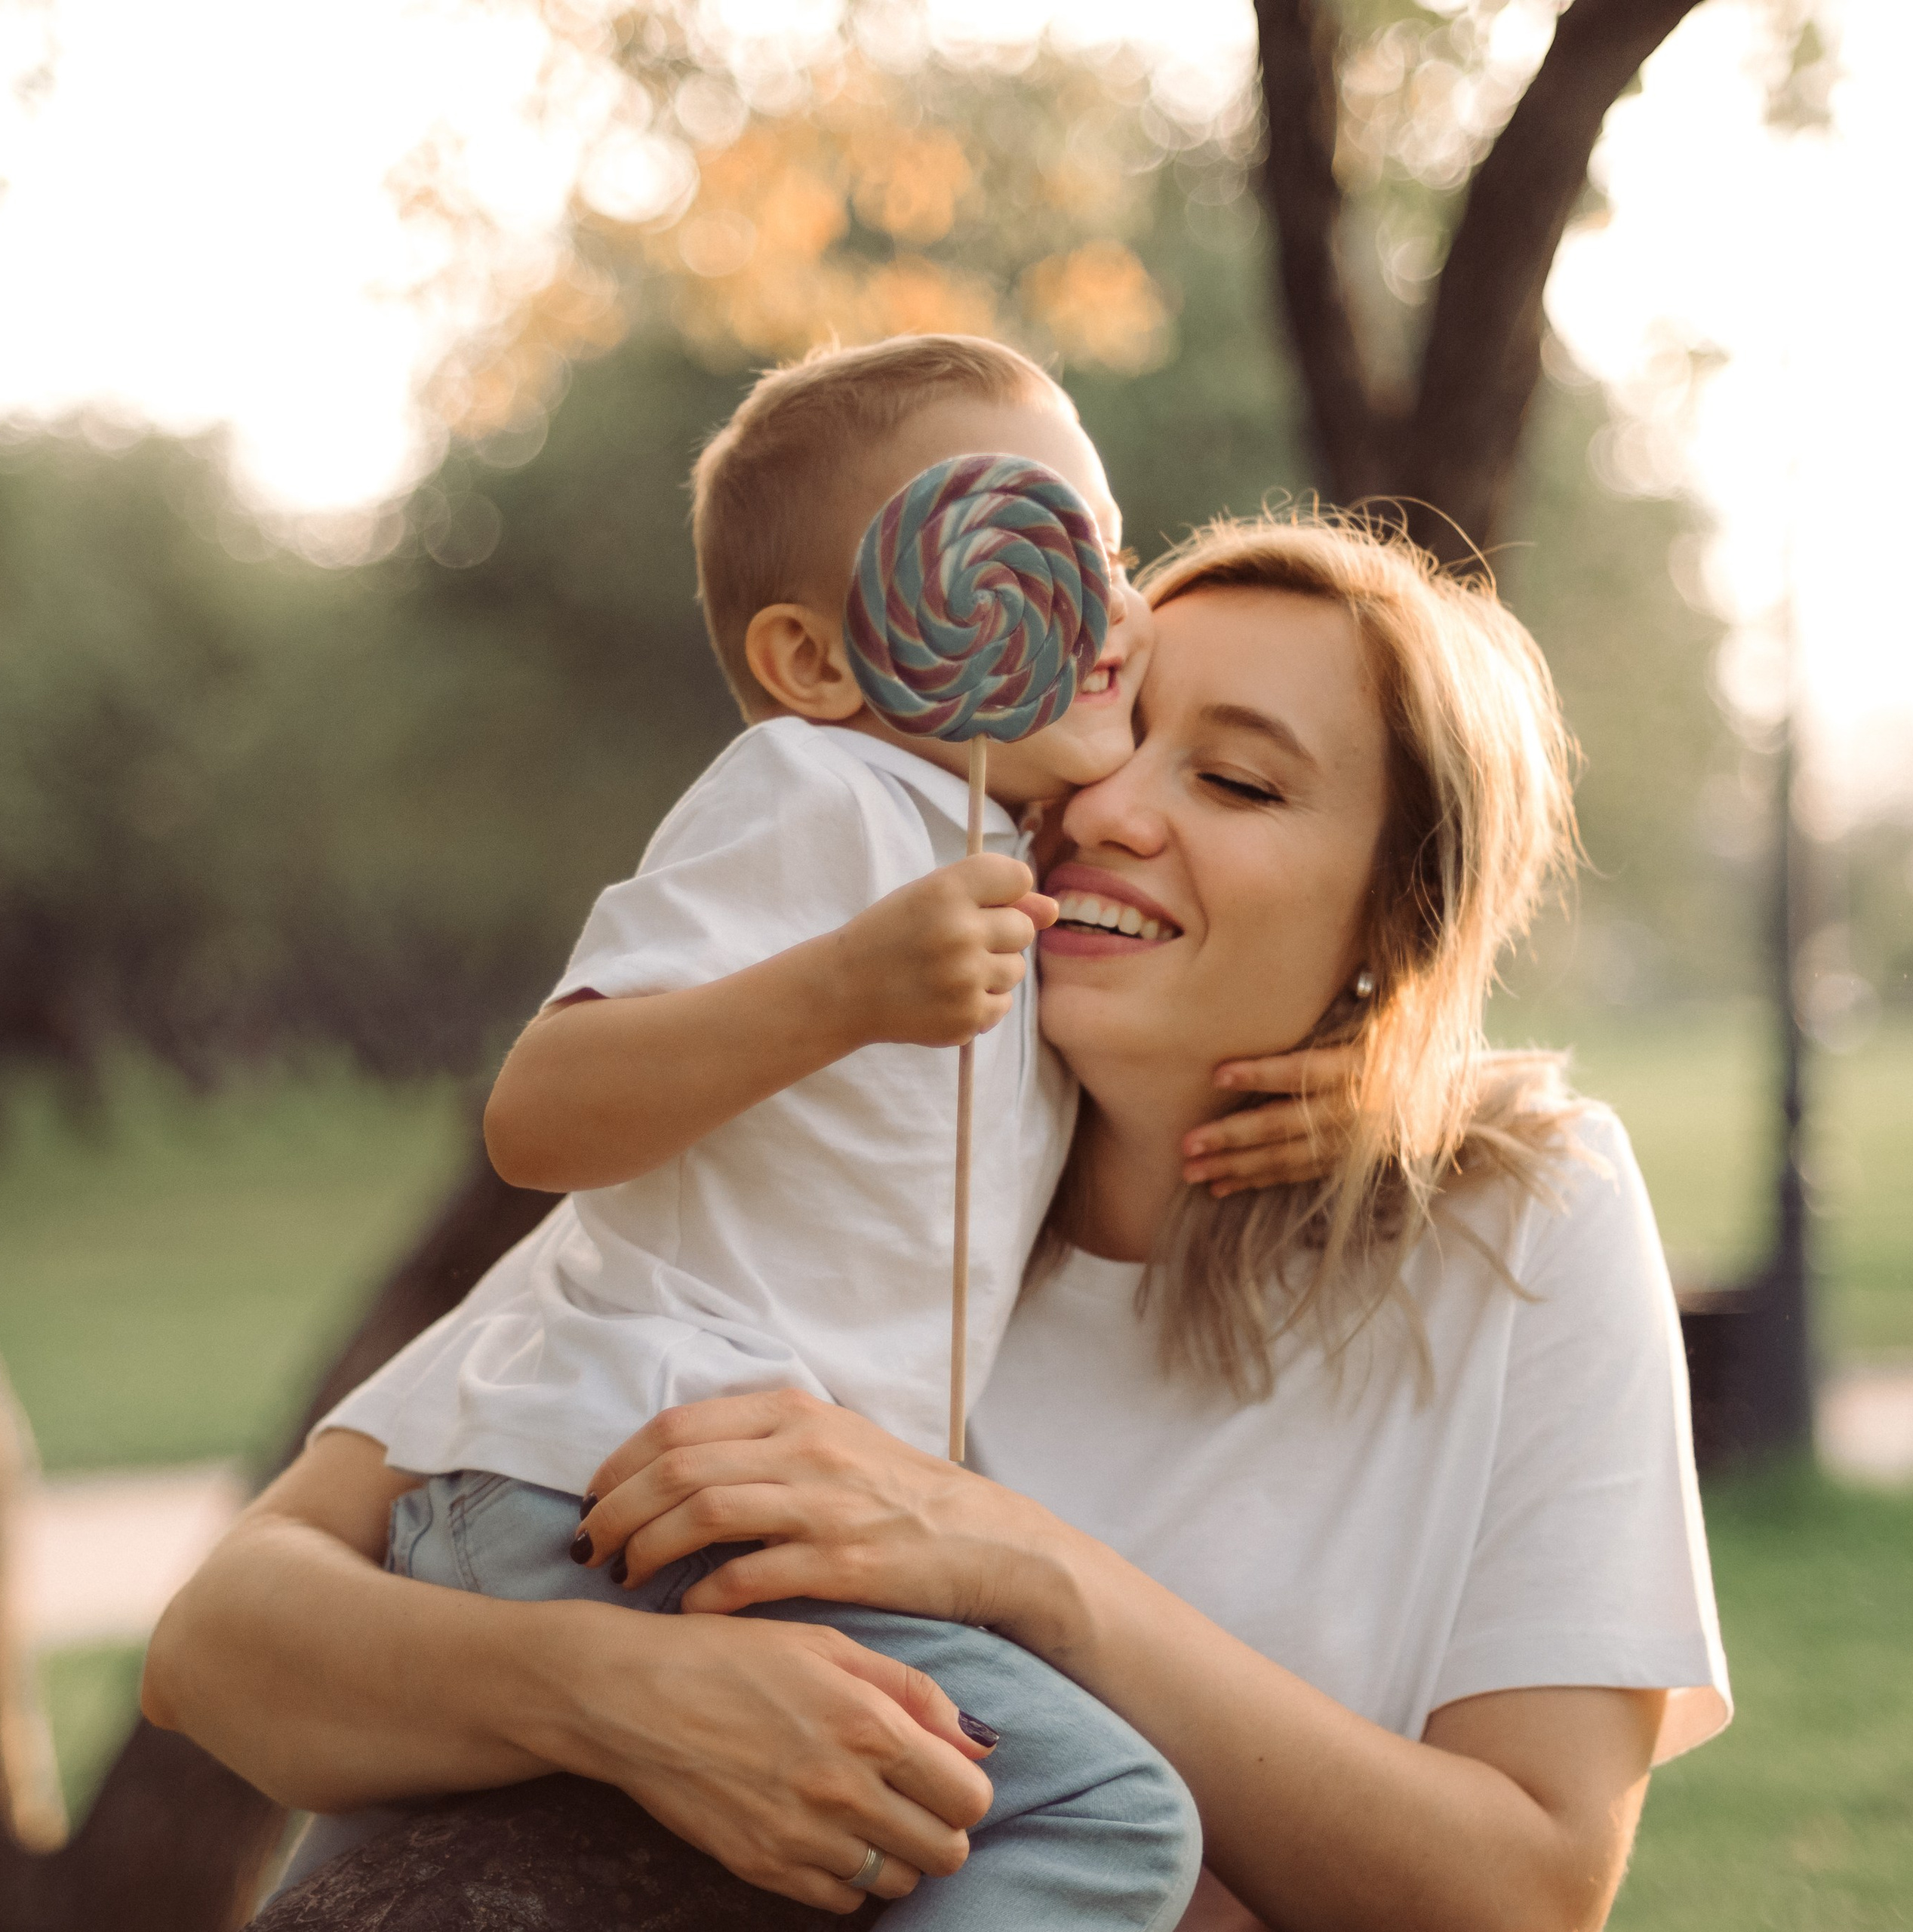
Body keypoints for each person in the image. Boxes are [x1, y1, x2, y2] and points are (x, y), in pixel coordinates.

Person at [145, 511, 1728, 1932]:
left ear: (1400, 915)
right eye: (1108, 724)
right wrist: (620, 1691)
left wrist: (1019, 1563)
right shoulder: (798, 1152)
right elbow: (220, 1639)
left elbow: (1527, 1891)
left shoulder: (1520, 1218)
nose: (1108, 805)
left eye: (1236, 778)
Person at [259, 333, 1229, 1930]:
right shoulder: (815, 791)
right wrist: (843, 987)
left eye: (1109, 555)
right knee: (1099, 1815)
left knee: (383, 1881)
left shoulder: (1007, 859)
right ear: (817, 662)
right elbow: (538, 1113)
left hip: (613, 1505)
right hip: (637, 1485)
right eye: (1025, 553)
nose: (1109, 609)